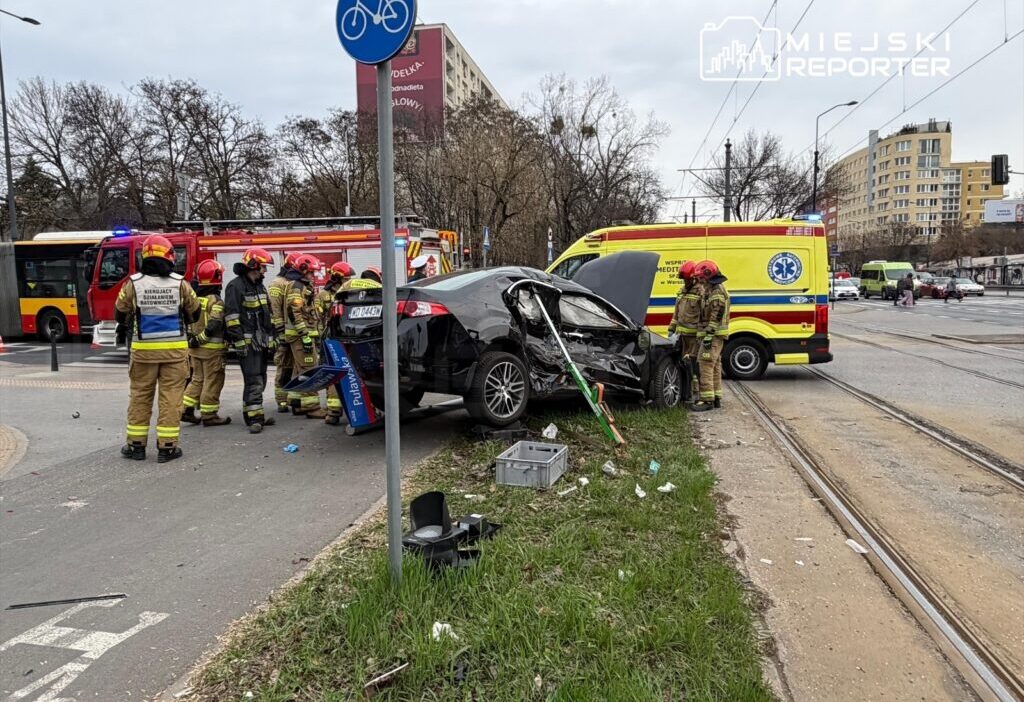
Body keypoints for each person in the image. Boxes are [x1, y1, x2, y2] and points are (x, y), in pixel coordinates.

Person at [116, 235, 201, 463]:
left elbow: (120, 312)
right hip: (175, 353)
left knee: (140, 397)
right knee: (171, 398)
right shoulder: (180, 283)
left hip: (143, 352)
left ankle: (136, 447)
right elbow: (195, 312)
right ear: (169, 255)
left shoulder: (133, 283)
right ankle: (167, 447)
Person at [224, 247, 277, 433]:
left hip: (259, 342)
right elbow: (231, 317)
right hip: (247, 343)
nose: (265, 271)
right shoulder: (235, 286)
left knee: (260, 378)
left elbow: (266, 315)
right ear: (253, 265)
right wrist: (239, 341)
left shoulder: (258, 286)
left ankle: (252, 413)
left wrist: (271, 338)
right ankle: (255, 418)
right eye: (263, 267)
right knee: (254, 379)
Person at [181, 259, 231, 427]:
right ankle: (209, 415)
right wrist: (201, 339)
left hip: (195, 350)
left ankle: (186, 409)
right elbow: (215, 324)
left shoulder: (195, 298)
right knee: (213, 380)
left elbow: (187, 320)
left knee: (197, 379)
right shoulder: (215, 301)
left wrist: (193, 340)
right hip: (212, 351)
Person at [284, 254, 327, 418]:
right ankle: (312, 407)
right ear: (303, 270)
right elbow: (294, 312)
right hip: (301, 336)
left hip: (301, 336)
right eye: (311, 272)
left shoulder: (301, 285)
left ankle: (297, 403)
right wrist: (305, 335)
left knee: (299, 369)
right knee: (310, 370)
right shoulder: (297, 287)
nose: (313, 275)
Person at [316, 261, 354, 425]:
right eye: (346, 279)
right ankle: (333, 412)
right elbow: (317, 319)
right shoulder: (323, 296)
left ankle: (346, 410)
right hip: (330, 340)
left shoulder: (348, 294)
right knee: (333, 373)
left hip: (345, 338)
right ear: (337, 279)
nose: (348, 282)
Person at [691, 259, 729, 412]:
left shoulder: (717, 292)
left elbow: (716, 315)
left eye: (701, 278)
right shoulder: (713, 289)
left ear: (708, 275)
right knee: (715, 366)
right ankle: (716, 397)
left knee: (705, 365)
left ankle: (707, 400)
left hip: (713, 336)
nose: (699, 281)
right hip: (715, 336)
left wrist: (708, 334)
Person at [268, 253, 301, 413]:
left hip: (294, 332)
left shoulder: (293, 283)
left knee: (296, 366)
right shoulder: (277, 284)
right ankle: (281, 400)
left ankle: (294, 397)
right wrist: (281, 332)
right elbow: (275, 309)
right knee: (284, 366)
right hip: (283, 332)